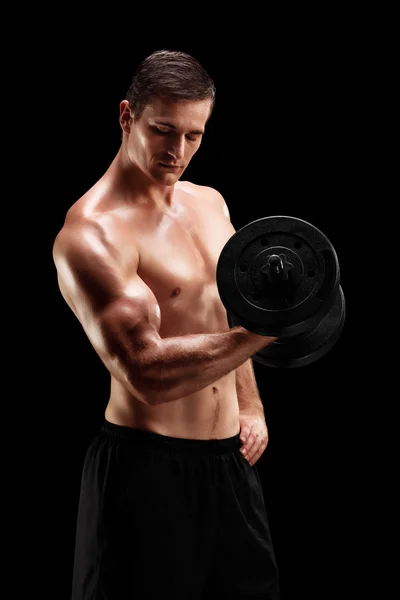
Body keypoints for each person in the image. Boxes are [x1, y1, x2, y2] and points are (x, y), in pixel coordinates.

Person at [53, 49, 281, 599]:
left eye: (194, 135)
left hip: (229, 469)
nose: (177, 151)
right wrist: (271, 330)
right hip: (143, 475)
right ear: (128, 115)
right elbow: (146, 373)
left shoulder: (210, 205)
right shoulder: (94, 234)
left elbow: (231, 316)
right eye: (162, 130)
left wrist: (249, 404)